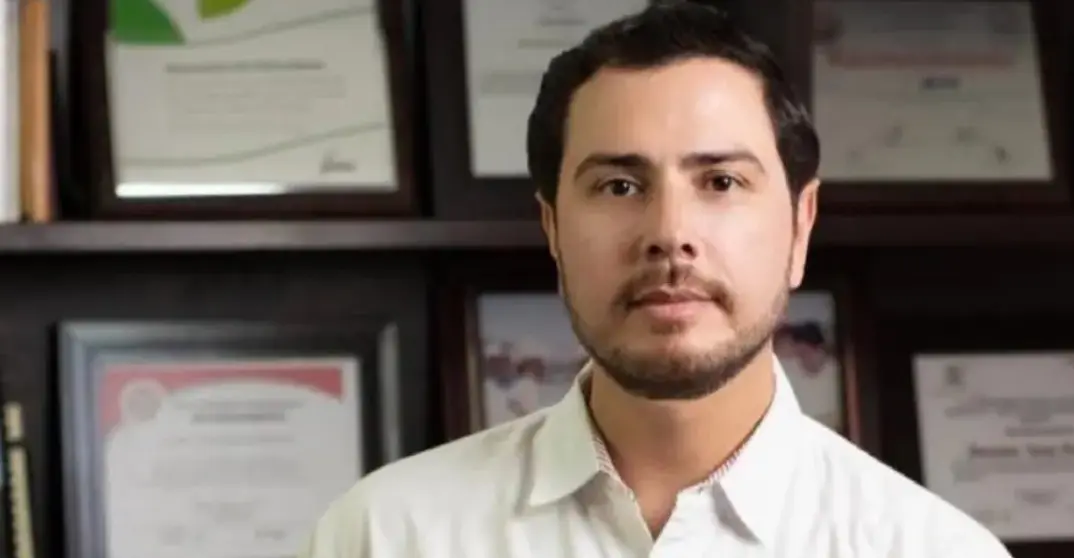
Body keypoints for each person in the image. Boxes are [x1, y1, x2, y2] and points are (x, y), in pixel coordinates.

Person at [299, 3, 1011, 556]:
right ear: (552, 229)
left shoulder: (931, 549)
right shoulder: (386, 535)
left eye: (721, 181)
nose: (670, 232)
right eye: (618, 186)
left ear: (800, 226)